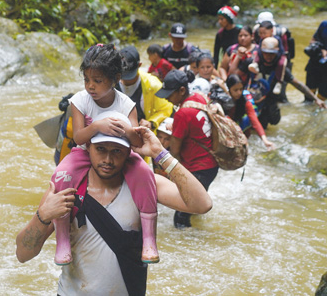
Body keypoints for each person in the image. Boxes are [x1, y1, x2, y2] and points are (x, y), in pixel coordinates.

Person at [15, 119, 213, 296]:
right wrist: (43, 216)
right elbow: (23, 254)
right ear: (88, 148)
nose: (108, 160)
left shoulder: (145, 185)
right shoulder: (65, 189)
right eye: (101, 149)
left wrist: (160, 154)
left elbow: (202, 204)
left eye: (116, 151)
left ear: (129, 152)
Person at [51, 44, 159, 266]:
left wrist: (127, 130)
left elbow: (137, 142)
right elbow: (79, 137)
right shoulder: (80, 101)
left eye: (97, 81)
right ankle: (62, 239)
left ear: (115, 78)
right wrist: (98, 126)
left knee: (145, 174)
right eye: (87, 80)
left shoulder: (125, 104)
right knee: (62, 174)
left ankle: (149, 239)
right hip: (85, 151)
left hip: (121, 152)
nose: (90, 86)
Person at [155, 70, 219, 228]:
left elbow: (175, 151)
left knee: (180, 217)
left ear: (182, 90)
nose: (168, 99)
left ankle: (195, 246)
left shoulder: (182, 113)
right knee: (196, 206)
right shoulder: (198, 98)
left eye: (170, 94)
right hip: (211, 166)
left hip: (198, 168)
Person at [243, 37, 326, 129]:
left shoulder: (281, 69)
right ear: (261, 52)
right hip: (252, 100)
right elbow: (236, 77)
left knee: (268, 123)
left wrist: (315, 98)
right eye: (266, 53)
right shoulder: (251, 64)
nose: (269, 57)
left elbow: (297, 84)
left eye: (272, 54)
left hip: (269, 102)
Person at [118, 46, 174, 133]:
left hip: (143, 132)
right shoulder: (109, 83)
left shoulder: (153, 85)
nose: (126, 79)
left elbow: (166, 108)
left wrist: (151, 122)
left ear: (140, 65)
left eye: (129, 75)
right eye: (123, 75)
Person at [225, 74, 275, 150]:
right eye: (235, 90)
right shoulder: (222, 100)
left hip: (240, 128)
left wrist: (264, 140)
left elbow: (254, 120)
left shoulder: (244, 101)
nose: (239, 93)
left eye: (241, 89)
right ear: (228, 89)